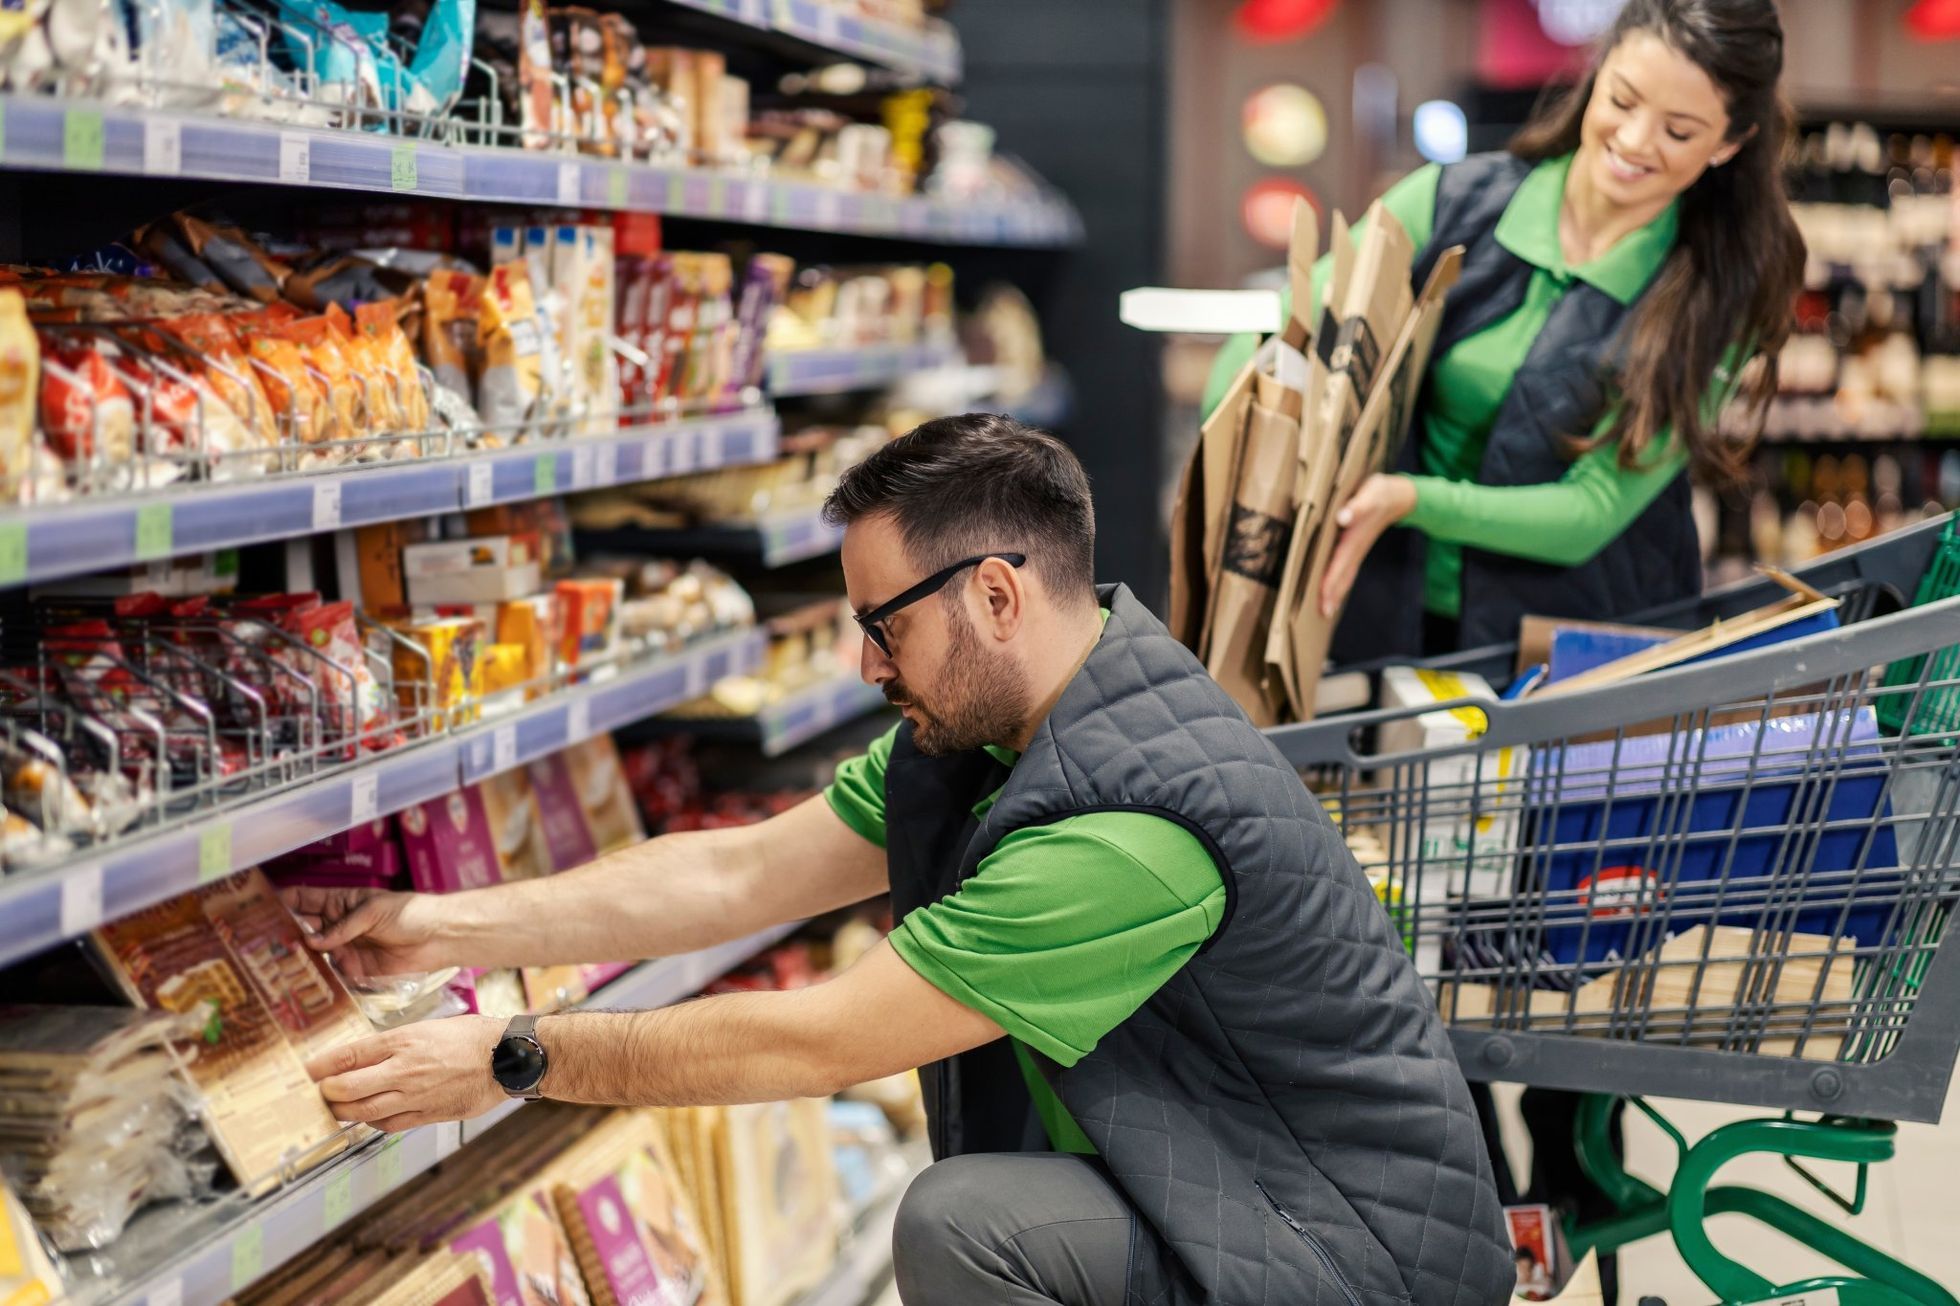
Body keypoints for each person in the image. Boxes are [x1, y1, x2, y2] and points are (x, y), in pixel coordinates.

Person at [290, 414, 1516, 1306]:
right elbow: (736, 877)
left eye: (884, 627)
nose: (865, 667)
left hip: (1349, 1258)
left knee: (962, 1224)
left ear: (994, 595)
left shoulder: (1125, 833)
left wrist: (515, 1057)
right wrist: (450, 925)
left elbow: (815, 1040)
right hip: (1225, 1180)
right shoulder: (995, 735)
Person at [1200, 2, 1802, 1300]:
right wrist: (1249, 432)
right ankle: (1466, 1215)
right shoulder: (1459, 197)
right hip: (1399, 635)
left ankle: (1573, 1172)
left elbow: (1596, 504)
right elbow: (1297, 335)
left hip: (1583, 649)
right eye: (1622, 100)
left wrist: (1413, 498)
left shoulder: (1724, 281)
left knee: (1569, 943)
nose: (1633, 141)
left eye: (1680, 127)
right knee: (1424, 935)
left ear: (1731, 141)